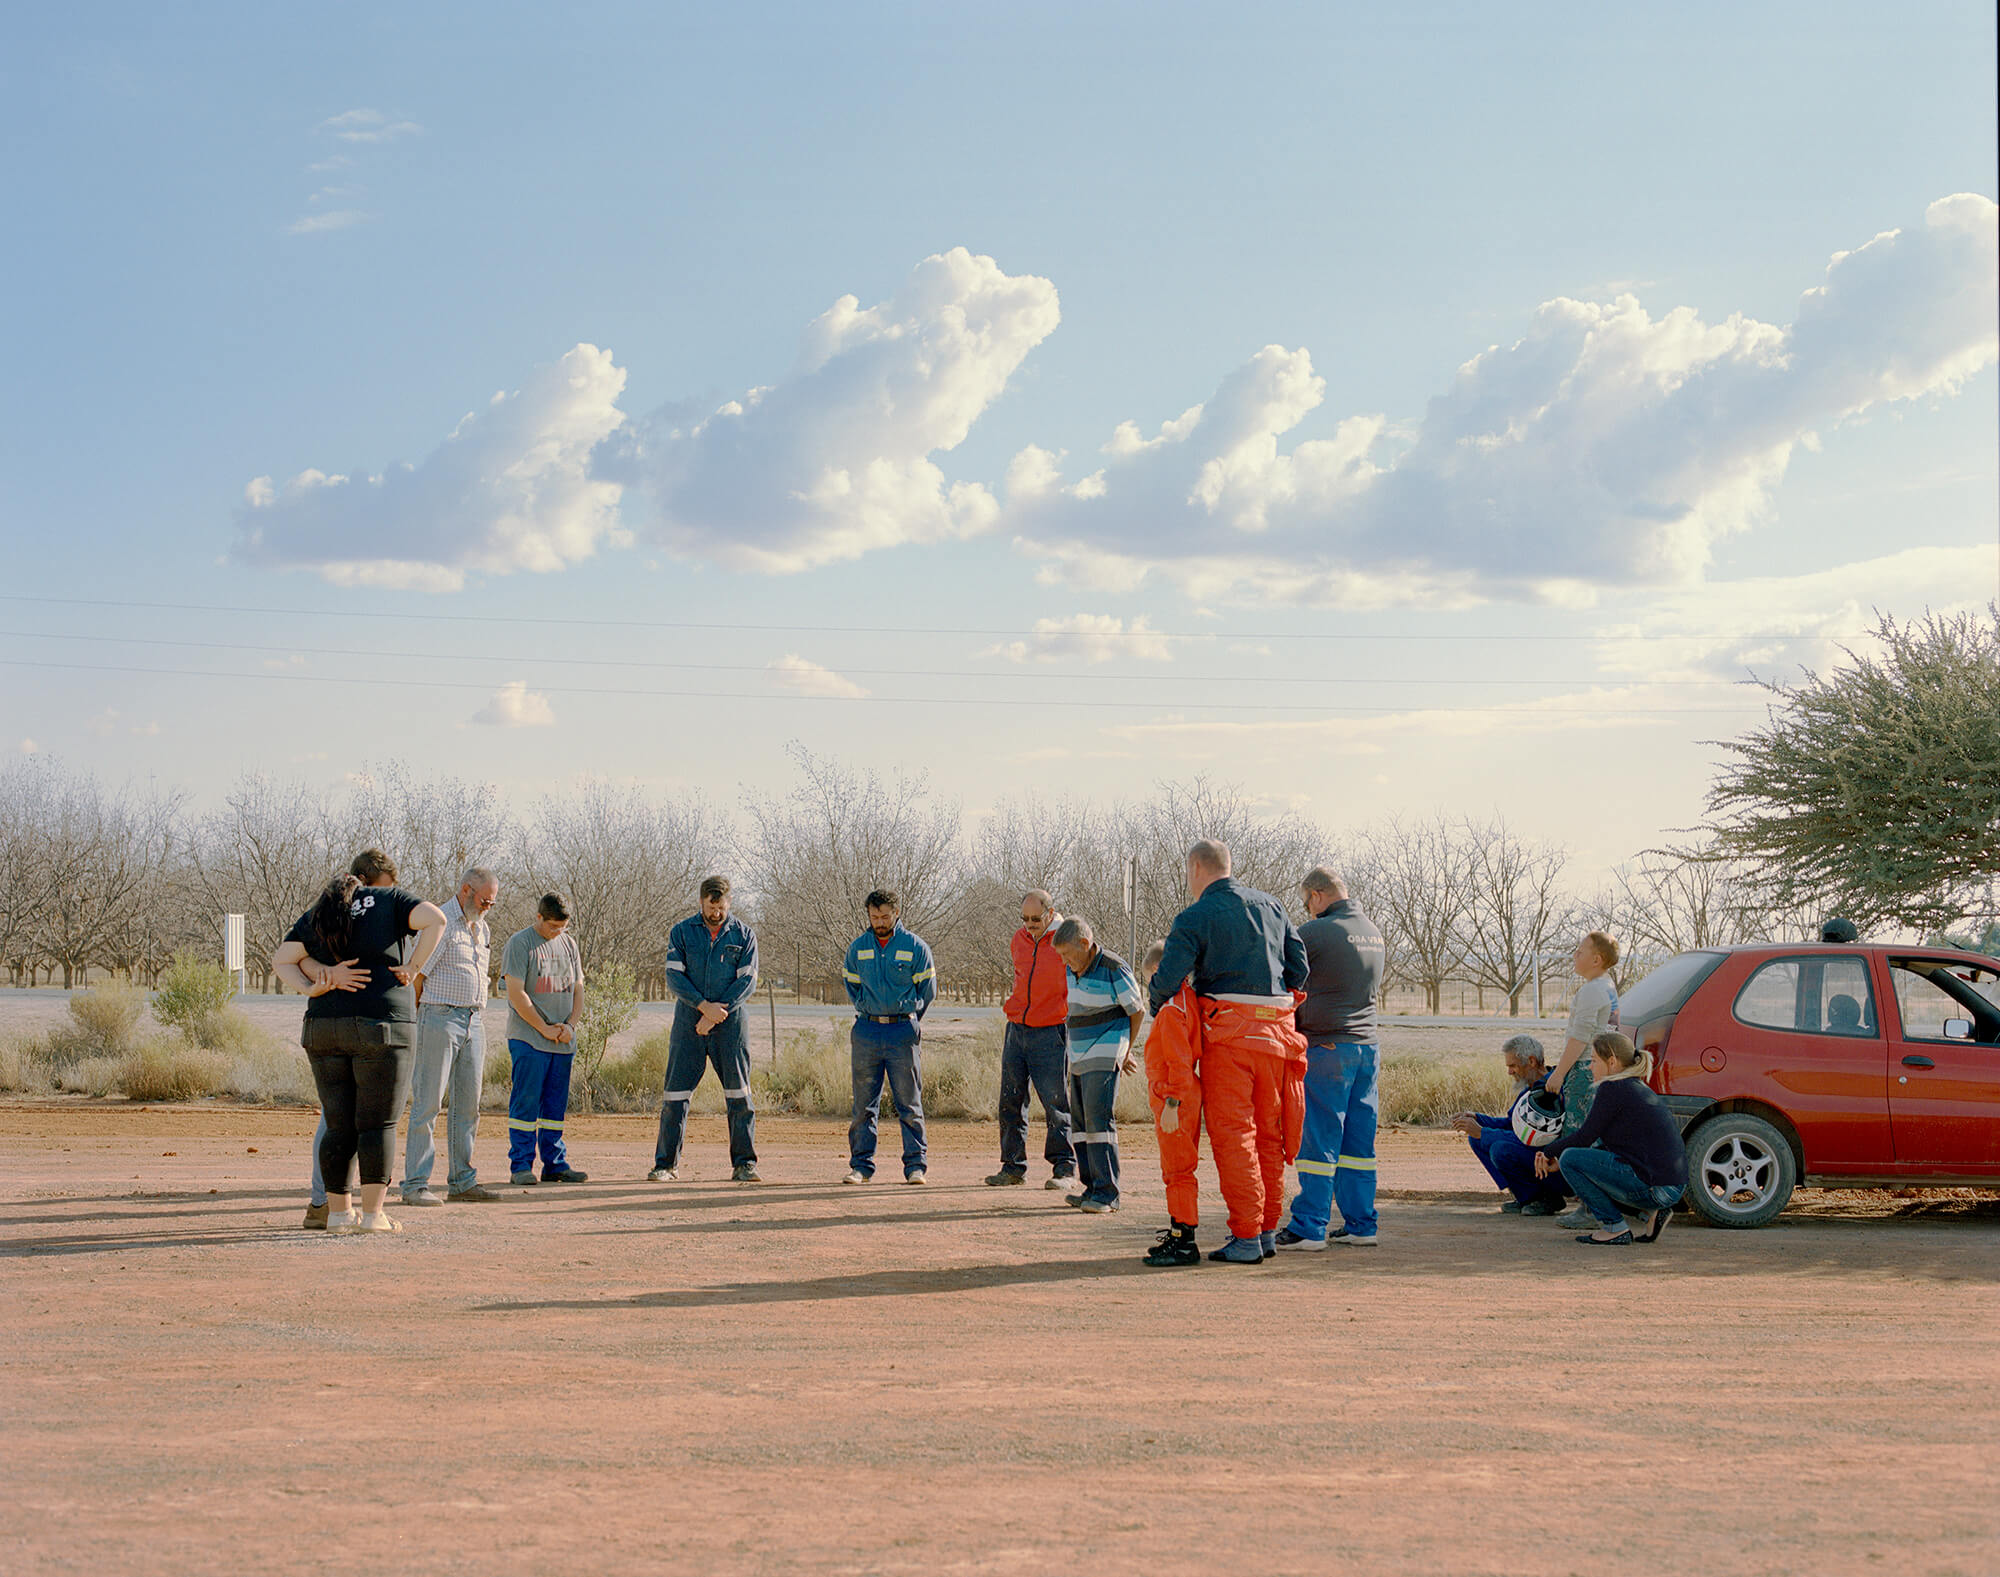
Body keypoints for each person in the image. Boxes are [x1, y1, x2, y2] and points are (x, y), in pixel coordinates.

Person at [1147, 839, 1309, 1264]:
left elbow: (1167, 977)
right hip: (1278, 1037)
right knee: (1269, 1138)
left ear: (1196, 867)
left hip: (1228, 1040)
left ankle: (1246, 1236)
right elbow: (1300, 967)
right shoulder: (1273, 907)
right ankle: (1267, 1230)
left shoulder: (1195, 916)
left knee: (1235, 1136)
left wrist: (1156, 1007)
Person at [273, 849, 445, 1234]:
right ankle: (372, 1216)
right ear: (377, 881)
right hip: (381, 1025)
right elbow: (437, 919)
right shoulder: (390, 900)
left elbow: (282, 959)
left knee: (338, 1125)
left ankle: (336, 1215)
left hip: (323, 1028)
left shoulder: (325, 907)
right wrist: (413, 968)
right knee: (377, 1124)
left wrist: (315, 984)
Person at [1275, 866, 1386, 1251]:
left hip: (1327, 1048)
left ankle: (1309, 1226)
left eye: (1307, 903)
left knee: (1319, 1139)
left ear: (1318, 895)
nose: (1307, 910)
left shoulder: (1316, 932)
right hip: (1367, 1048)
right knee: (1359, 1143)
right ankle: (1361, 1224)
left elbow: (1282, 975)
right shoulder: (1372, 932)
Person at [401, 866, 502, 1207]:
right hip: (439, 1017)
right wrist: (419, 1020)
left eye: (492, 902)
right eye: (484, 900)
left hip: (474, 1020)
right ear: (465, 890)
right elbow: (417, 977)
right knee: (428, 1102)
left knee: (468, 1107)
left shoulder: (482, 928)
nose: (488, 906)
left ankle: (462, 1180)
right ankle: (415, 1184)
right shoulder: (441, 922)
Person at [652, 875, 760, 1183]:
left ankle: (744, 1165)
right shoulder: (682, 933)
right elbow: (675, 978)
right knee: (675, 1096)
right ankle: (665, 1165)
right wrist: (703, 1008)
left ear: (729, 903)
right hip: (689, 1023)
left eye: (721, 907)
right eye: (711, 907)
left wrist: (716, 1013)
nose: (716, 913)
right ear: (701, 902)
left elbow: (747, 982)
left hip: (731, 1023)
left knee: (739, 1096)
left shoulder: (744, 935)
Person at [1533, 1031, 1688, 1245]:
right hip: (1671, 1188)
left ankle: (1614, 1227)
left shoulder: (1613, 1088)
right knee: (1573, 1161)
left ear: (1612, 1062)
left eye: (1594, 1061)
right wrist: (1558, 1163)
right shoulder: (1632, 1086)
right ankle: (1649, 1214)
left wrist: (1546, 1152)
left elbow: (1584, 1137)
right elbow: (1608, 1147)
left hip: (1657, 1188)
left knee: (1570, 1157)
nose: (1590, 1066)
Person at [1048, 918, 1143, 1215]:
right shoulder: (1070, 969)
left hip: (1105, 1049)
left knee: (1098, 1120)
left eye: (1067, 954)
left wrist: (1125, 1049)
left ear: (1085, 945)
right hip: (1076, 1054)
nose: (1064, 961)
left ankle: (1108, 1193)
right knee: (1080, 1124)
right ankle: (1091, 1187)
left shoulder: (1114, 967)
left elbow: (1137, 1010)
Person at [842, 890, 937, 1185]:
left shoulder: (915, 947)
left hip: (902, 1032)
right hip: (867, 1031)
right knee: (863, 1106)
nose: (879, 922)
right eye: (874, 916)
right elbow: (852, 986)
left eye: (885, 916)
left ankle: (915, 1167)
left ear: (896, 912)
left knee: (909, 1103)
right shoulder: (858, 948)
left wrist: (908, 1020)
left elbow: (928, 991)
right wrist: (870, 1011)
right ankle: (861, 1166)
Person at [986, 889, 1076, 1190]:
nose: (1029, 924)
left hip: (1051, 1032)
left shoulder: (1064, 940)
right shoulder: (1018, 940)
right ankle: (1012, 1167)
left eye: (1035, 919)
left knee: (1055, 1103)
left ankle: (1064, 1168)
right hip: (1017, 1029)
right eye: (1024, 918)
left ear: (1050, 914)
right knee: (1010, 1101)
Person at [502, 893, 589, 1186]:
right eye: (553, 926)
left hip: (562, 1040)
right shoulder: (520, 943)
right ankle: (521, 1165)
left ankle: (555, 1164)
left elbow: (578, 988)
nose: (558, 932)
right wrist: (543, 1027)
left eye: (563, 927)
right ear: (538, 918)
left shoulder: (569, 944)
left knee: (554, 1106)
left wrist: (570, 1026)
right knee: (526, 1104)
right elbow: (515, 993)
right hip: (529, 1038)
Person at [1546, 931, 1620, 1229]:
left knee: (1579, 1136)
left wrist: (1559, 1073)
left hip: (1583, 1071)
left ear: (1596, 959)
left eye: (1580, 951)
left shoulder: (1591, 991)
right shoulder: (1607, 987)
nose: (1575, 955)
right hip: (1598, 1070)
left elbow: (1580, 1038)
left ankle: (1591, 1209)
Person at [1450, 1034, 1569, 1215]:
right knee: (1477, 1140)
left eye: (1513, 1066)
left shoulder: (1550, 1090)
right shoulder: (1530, 1089)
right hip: (1536, 1156)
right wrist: (1477, 1118)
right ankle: (1525, 1196)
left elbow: (1533, 1139)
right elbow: (1511, 1124)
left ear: (1531, 1061)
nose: (1510, 1072)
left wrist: (1483, 1132)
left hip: (1554, 1163)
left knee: (1499, 1148)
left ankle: (1546, 1199)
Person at [1139, 939, 1204, 1267]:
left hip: (1176, 1098)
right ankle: (1180, 1231)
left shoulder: (1170, 1010)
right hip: (1183, 1094)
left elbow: (1178, 1062)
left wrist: (1172, 1104)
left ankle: (1183, 1241)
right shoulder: (1187, 1000)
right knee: (1180, 1168)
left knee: (1178, 1170)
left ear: (1155, 972)